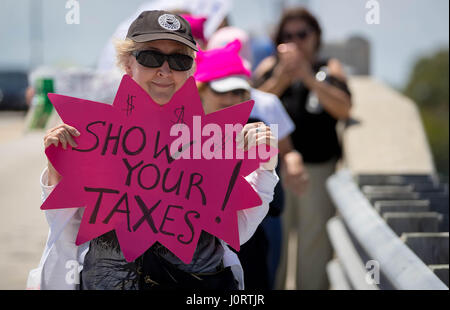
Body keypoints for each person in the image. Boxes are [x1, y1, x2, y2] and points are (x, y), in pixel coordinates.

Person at [27, 10, 279, 290]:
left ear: (191, 69)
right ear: (126, 62)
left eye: (179, 60)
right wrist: (56, 166)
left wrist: (265, 164)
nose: (165, 70)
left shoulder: (209, 137)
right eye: (150, 57)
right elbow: (65, 224)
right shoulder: (95, 134)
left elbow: (240, 228)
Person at [253, 7, 352, 290]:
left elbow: (344, 109)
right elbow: (251, 106)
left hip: (318, 168)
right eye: (288, 35)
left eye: (302, 34)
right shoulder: (268, 69)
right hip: (271, 170)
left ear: (316, 37)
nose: (295, 41)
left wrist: (308, 76)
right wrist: (284, 76)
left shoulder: (328, 68)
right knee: (273, 242)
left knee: (314, 242)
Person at [195, 39, 306, 289]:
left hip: (251, 241)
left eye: (240, 91)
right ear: (200, 90)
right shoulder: (181, 133)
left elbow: (271, 200)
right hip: (195, 253)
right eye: (222, 90)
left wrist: (273, 161)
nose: (232, 98)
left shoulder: (257, 129)